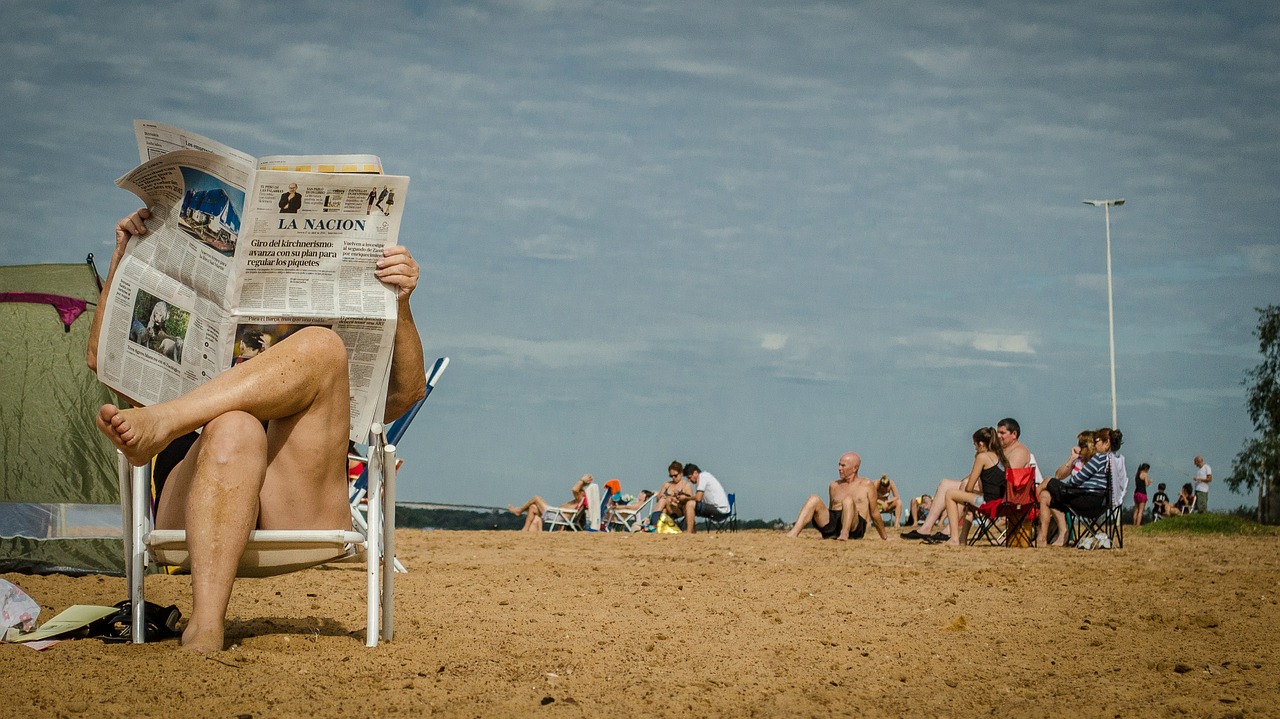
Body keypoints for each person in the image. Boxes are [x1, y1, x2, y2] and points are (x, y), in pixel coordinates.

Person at [89, 207, 427, 653]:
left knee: (323, 345)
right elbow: (102, 360)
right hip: (196, 506)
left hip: (298, 504)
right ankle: (205, 626)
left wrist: (399, 302)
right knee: (232, 426)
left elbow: (405, 393)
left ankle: (169, 419)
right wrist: (122, 259)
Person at [904, 418, 1031, 541]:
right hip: (990, 491)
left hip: (1004, 497)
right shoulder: (999, 451)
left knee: (964, 485)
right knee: (945, 484)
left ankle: (950, 531)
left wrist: (971, 481)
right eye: (998, 432)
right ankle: (926, 527)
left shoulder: (1019, 451)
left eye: (1002, 433)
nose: (998, 436)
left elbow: (1007, 480)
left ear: (1014, 434)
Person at [1036, 428, 1123, 547]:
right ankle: (1049, 537)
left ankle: (1028, 507)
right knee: (1045, 496)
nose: (1095, 444)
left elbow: (1076, 480)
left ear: (1106, 443)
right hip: (1104, 502)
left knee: (1047, 481)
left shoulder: (1099, 459)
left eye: (1097, 440)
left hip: (1088, 500)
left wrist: (1069, 484)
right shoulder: (1116, 459)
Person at [929, 427, 1008, 547]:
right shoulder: (1000, 458)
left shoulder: (982, 457)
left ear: (981, 444)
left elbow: (969, 487)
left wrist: (976, 459)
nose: (975, 448)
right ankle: (963, 539)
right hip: (1001, 502)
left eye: (975, 445)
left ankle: (954, 538)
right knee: (970, 505)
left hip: (988, 503)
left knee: (950, 494)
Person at [786, 452, 873, 541]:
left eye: (843, 466)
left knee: (848, 500)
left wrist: (884, 536)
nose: (839, 469)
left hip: (854, 526)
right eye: (839, 465)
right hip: (835, 523)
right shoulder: (834, 485)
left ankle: (844, 533)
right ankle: (794, 532)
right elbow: (832, 509)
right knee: (813, 499)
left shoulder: (866, 484)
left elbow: (875, 513)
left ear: (855, 468)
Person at [508, 474, 594, 531]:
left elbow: (574, 489)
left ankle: (519, 511)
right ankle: (525, 529)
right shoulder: (581, 500)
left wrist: (582, 480)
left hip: (558, 516)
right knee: (533, 507)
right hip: (557, 514)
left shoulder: (581, 498)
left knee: (536, 498)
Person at [667, 463, 730, 534]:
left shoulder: (703, 477)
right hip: (720, 509)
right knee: (687, 504)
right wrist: (684, 497)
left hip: (720, 510)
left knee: (690, 504)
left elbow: (698, 498)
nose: (690, 480)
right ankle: (692, 531)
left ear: (695, 472)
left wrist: (685, 498)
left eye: (690, 477)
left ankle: (689, 532)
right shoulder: (704, 477)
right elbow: (696, 498)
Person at [647, 461, 691, 530]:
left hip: (678, 509)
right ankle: (656, 525)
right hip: (666, 508)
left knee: (664, 502)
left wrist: (678, 498)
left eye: (675, 475)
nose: (673, 478)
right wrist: (662, 496)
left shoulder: (686, 485)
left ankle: (652, 523)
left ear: (681, 473)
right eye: (671, 476)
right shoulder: (667, 484)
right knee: (663, 503)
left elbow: (690, 501)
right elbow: (658, 499)